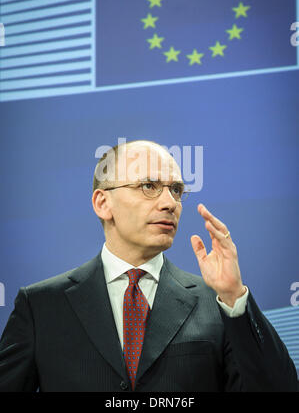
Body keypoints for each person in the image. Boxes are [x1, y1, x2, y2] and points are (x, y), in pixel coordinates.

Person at [0, 140, 297, 392]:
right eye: (149, 186)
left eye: (176, 190)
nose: (169, 203)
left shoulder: (218, 304)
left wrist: (234, 296)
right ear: (103, 203)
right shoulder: (41, 306)